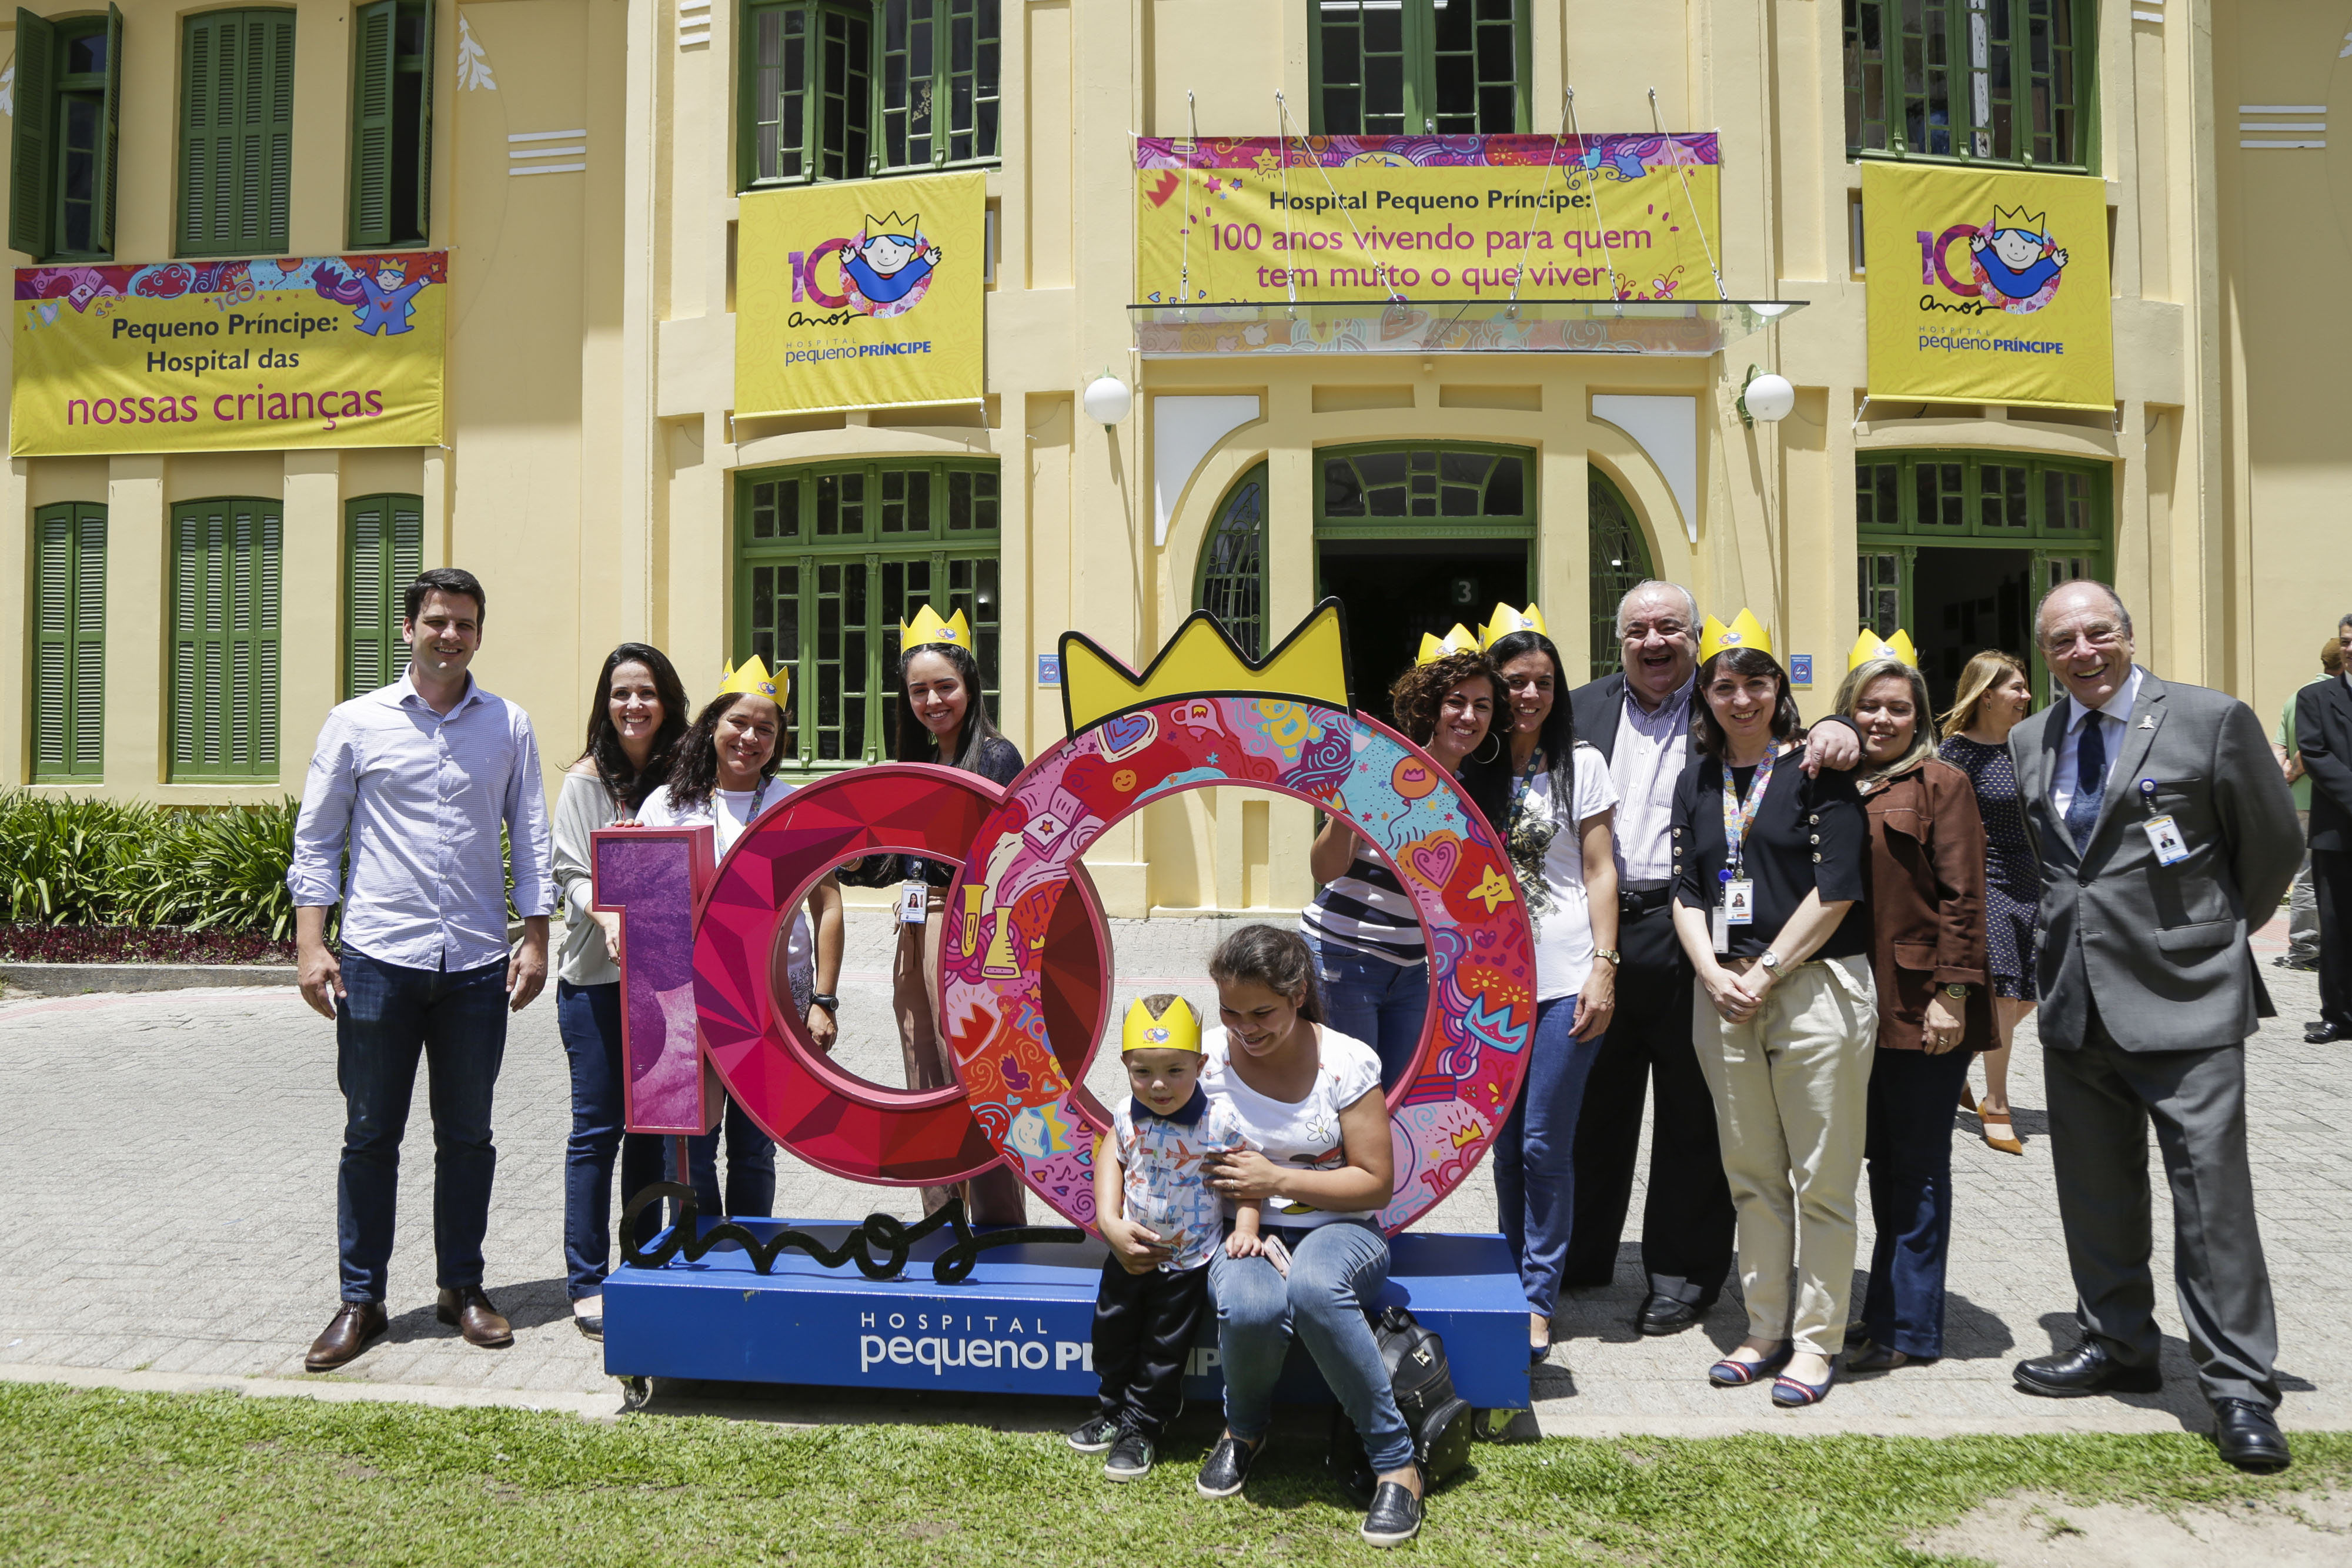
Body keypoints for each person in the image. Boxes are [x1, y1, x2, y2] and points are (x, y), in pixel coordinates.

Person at [2007, 581, 2301, 1473]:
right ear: (2046, 654)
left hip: (2187, 997)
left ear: (2129, 635)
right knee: (2095, 1191)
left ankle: (2240, 1386)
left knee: (2210, 1201)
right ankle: (2118, 1341)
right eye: (2063, 640)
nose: (2083, 650)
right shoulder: (2031, 738)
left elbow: (2275, 844)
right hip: (2075, 996)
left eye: (2099, 632)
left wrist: (2205, 935)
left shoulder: (2211, 719)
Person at [1563, 582, 1865, 1337]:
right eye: (1638, 629)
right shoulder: (1579, 706)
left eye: (1671, 628)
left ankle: (1682, 1274)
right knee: (1591, 1099)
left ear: (1695, 641)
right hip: (1595, 926)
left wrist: (1835, 722)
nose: (1654, 641)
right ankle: (1579, 1256)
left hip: (1692, 924)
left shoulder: (1722, 700)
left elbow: (1785, 720)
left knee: (1695, 1113)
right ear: (1618, 638)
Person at [289, 567, 554, 1372]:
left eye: (465, 623)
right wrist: (310, 942)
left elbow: (531, 837)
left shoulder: (508, 725)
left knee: (468, 1135)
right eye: (436, 620)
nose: (450, 634)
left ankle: (461, 1287)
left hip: (476, 961)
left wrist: (535, 937)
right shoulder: (355, 722)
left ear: (479, 632)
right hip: (377, 958)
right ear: (408, 628)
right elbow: (317, 836)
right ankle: (360, 1298)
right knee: (370, 1134)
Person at [1669, 611, 1876, 1408]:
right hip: (1719, 989)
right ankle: (1762, 1327)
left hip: (1813, 985)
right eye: (1725, 682)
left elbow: (1839, 887)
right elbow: (1687, 890)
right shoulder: (1697, 777)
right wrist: (1712, 972)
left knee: (1822, 1176)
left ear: (1779, 691)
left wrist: (1766, 970)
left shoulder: (1819, 769)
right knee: (1751, 1172)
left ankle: (1818, 1342)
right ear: (1707, 693)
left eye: (1757, 681)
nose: (1742, 696)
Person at [1192, 925, 1424, 1549]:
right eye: (1231, 1012)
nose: (1245, 1028)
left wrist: (1275, 1175)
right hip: (1246, 1231)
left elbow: (1376, 1184)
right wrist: (1114, 1215)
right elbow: (1130, 1126)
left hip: (1344, 1230)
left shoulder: (1345, 1061)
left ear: (1298, 996)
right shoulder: (1206, 1057)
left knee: (1317, 1289)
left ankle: (1395, 1462)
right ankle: (1243, 1433)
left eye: (1262, 1012)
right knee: (1251, 1306)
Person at [637, 657, 845, 1218]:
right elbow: (642, 901)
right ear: (712, 725)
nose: (749, 737)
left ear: (778, 741)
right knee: (692, 1141)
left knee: (755, 1143)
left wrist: (823, 999)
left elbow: (827, 903)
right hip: (688, 996)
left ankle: (752, 1254)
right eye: (738, 722)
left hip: (773, 996)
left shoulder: (797, 807)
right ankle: (700, 1254)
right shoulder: (667, 805)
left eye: (766, 728)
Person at [1838, 644, 1993, 1374]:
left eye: (1898, 707)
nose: (1882, 718)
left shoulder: (1942, 784)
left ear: (1920, 718)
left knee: (1917, 1166)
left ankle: (1911, 1328)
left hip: (1920, 1004)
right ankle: (1880, 1311)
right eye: (1870, 704)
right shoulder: (1830, 782)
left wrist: (1953, 995)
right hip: (1843, 1005)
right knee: (1876, 1161)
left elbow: (1964, 896)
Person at [1474, 604, 1622, 1364]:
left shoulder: (1582, 761)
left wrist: (1605, 963)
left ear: (1558, 687)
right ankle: (1506, 1276)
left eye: (1541, 681)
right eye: (1514, 680)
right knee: (1502, 1146)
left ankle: (1537, 1298)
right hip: (1489, 984)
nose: (1528, 693)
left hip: (1566, 974)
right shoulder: (1472, 764)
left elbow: (1600, 869)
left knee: (1542, 1141)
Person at [551, 642, 690, 1339]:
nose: (632, 705)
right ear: (605, 705)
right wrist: (609, 916)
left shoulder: (683, 778)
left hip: (665, 983)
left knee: (654, 1131)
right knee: (597, 1130)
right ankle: (587, 1280)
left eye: (645, 692)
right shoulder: (585, 780)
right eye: (619, 693)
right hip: (597, 980)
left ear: (667, 700)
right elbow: (569, 871)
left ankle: (643, 1258)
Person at [1068, 995, 1258, 1482]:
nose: (1158, 1085)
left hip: (1186, 1263)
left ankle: (1142, 1426)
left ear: (1201, 1063)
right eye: (1143, 1071)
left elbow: (1246, 1180)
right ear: (1126, 1066)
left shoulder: (1218, 1122)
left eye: (1175, 1070)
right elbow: (1111, 1159)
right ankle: (1113, 1410)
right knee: (1110, 1334)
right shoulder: (1126, 1115)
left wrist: (1246, 1227)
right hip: (1127, 1256)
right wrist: (1110, 1222)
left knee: (1161, 1349)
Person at [1302, 644, 1509, 1087]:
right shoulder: (1384, 769)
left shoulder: (1475, 796)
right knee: (1351, 1093)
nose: (1468, 716)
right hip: (1346, 955)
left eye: (1482, 705)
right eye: (1456, 701)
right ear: (1433, 705)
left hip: (1414, 966)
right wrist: (1346, 808)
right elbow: (1324, 868)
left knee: (1397, 1093)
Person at [886, 605, 1028, 1222]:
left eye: (944, 685)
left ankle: (998, 1225)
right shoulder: (915, 761)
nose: (932, 700)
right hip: (916, 925)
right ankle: (941, 1217)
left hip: (971, 928)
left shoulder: (996, 756)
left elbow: (1012, 855)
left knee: (976, 1070)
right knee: (924, 1070)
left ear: (970, 685)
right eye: (919, 690)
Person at [1937, 648, 2038, 1155]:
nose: (2026, 695)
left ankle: (1962, 1060)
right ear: (1986, 693)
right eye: (2016, 687)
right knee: (2003, 992)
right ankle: (1996, 1105)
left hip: (2035, 878)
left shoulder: (2030, 745)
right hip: (1986, 877)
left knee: (2030, 993)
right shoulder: (1955, 753)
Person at [2296, 614, 2352, 1044]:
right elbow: (2314, 753)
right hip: (2338, 833)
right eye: (2346, 642)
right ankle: (2338, 1013)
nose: (2349, 649)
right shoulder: (2315, 697)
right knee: (2335, 927)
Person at [2278, 634, 2346, 978]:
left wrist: (2285, 778)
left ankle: (2306, 945)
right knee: (2310, 877)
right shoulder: (2326, 697)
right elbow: (2309, 750)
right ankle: (2304, 947)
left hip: (2296, 800)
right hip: (2318, 801)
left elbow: (2279, 748)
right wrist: (2297, 771)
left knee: (2306, 874)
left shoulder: (2294, 696)